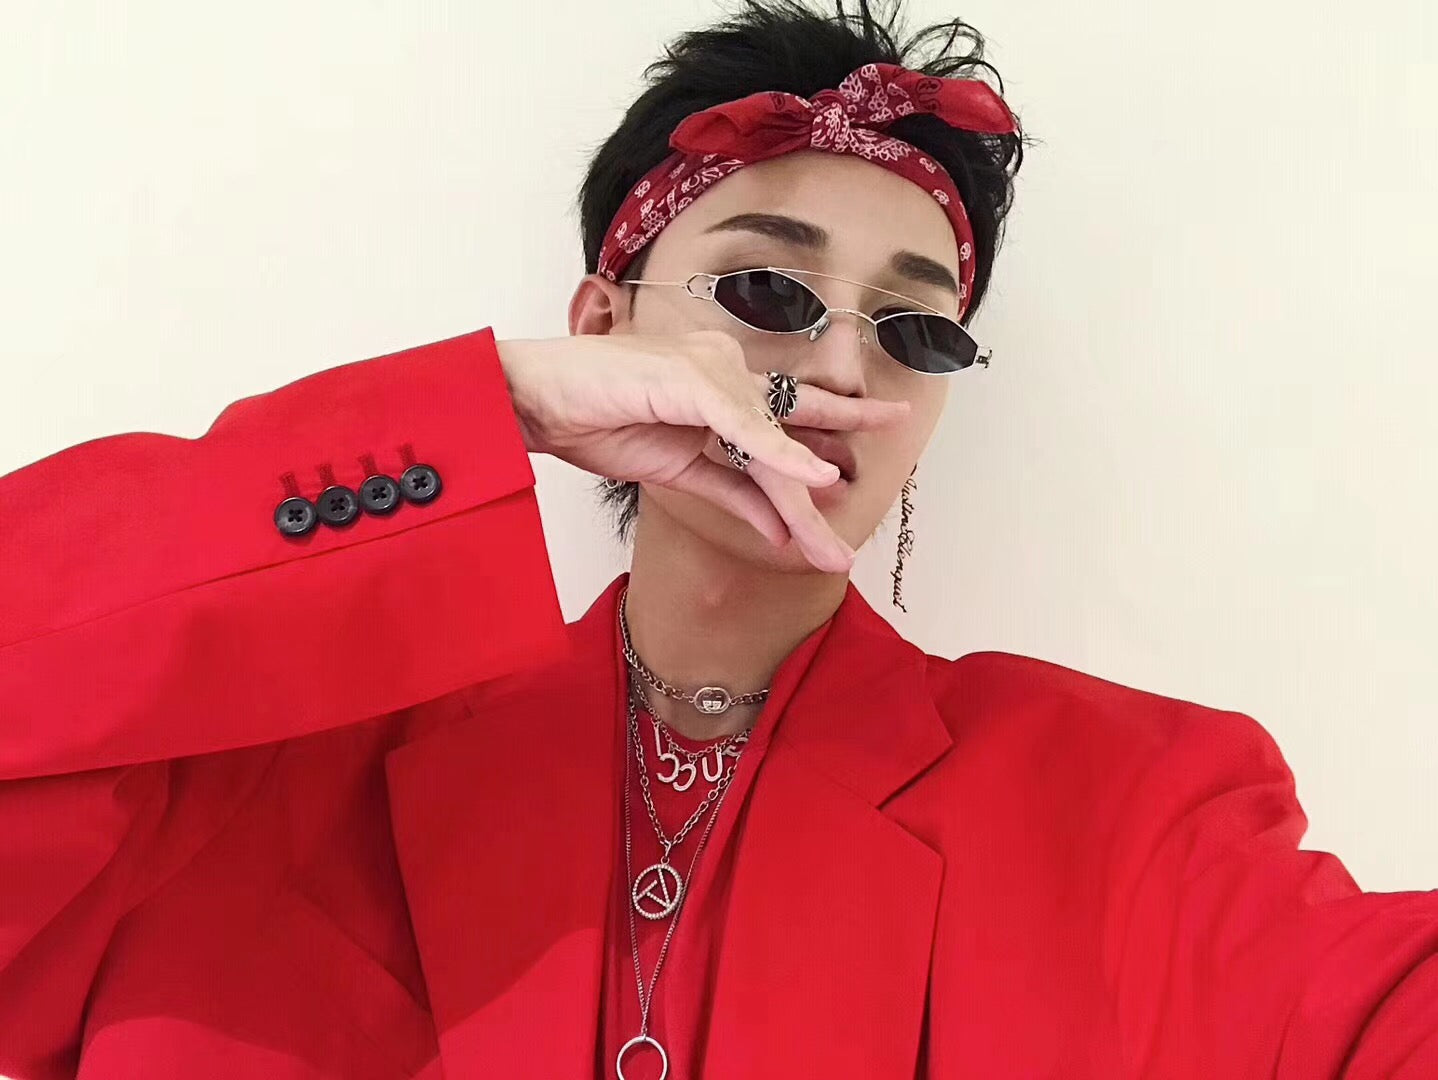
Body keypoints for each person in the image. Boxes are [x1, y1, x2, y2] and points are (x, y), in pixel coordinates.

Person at [1, 2, 1434, 1078]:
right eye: (764, 290)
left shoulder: (1124, 813)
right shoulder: (269, 768)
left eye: (917, 325)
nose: (846, 366)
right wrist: (487, 410)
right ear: (601, 324)